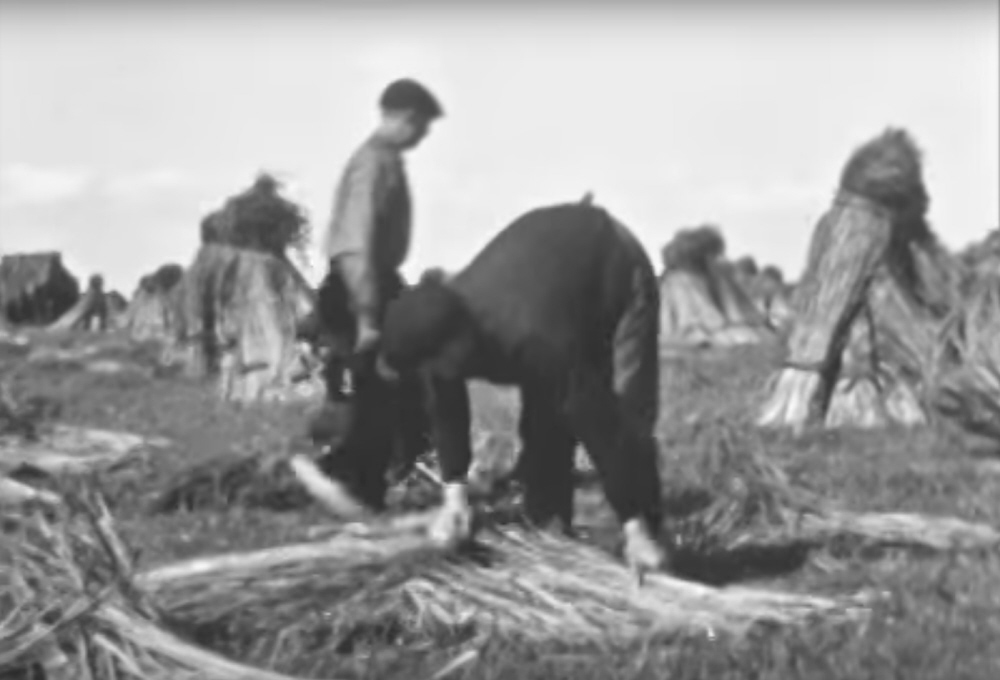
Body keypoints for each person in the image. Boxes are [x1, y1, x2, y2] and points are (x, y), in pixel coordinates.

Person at [376, 201, 669, 577]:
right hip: (549, 279)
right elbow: (447, 410)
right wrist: (455, 497)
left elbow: (601, 425)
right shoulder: (434, 329)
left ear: (459, 343)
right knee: (544, 421)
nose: (442, 374)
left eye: (442, 365)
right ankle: (550, 537)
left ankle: (649, 540)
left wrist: (634, 525)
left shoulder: (534, 338)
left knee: (624, 415)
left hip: (610, 258)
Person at [305, 78, 444, 512]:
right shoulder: (372, 164)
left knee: (403, 393)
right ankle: (352, 487)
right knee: (373, 397)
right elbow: (354, 248)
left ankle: (387, 479)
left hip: (378, 285)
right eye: (422, 125)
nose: (424, 135)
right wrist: (367, 317)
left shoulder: (386, 160)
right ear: (403, 118)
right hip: (358, 289)